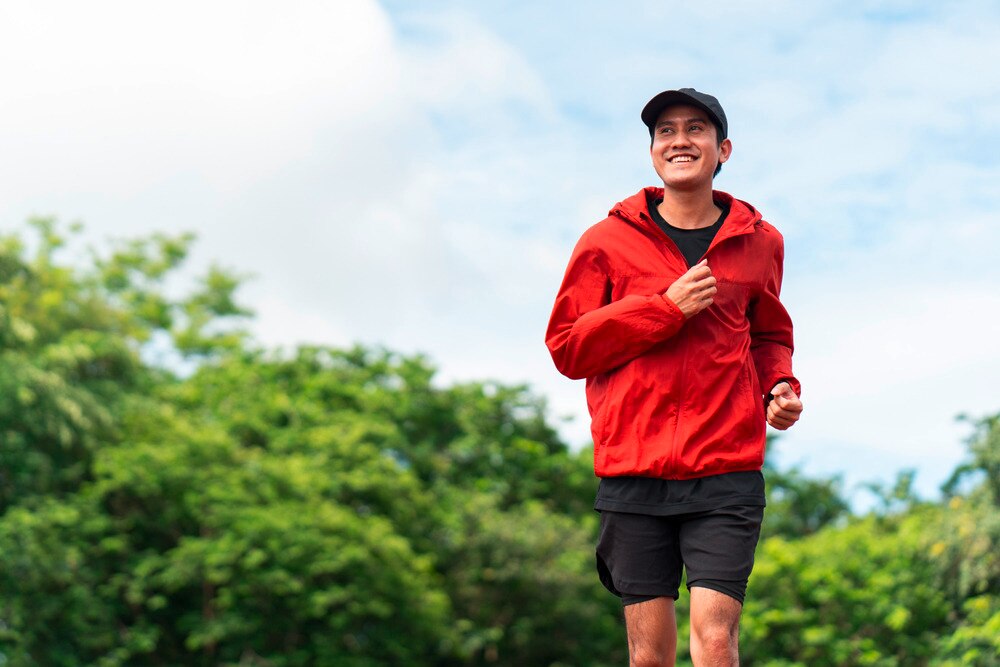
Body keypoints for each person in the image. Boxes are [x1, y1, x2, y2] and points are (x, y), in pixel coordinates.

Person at [545, 88, 803, 666]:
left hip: (726, 470)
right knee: (650, 656)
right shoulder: (605, 242)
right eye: (665, 131)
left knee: (715, 640)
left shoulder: (761, 244)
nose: (679, 140)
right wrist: (664, 309)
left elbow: (766, 336)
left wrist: (779, 387)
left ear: (723, 149)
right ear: (653, 151)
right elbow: (567, 347)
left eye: (695, 129)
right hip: (633, 471)